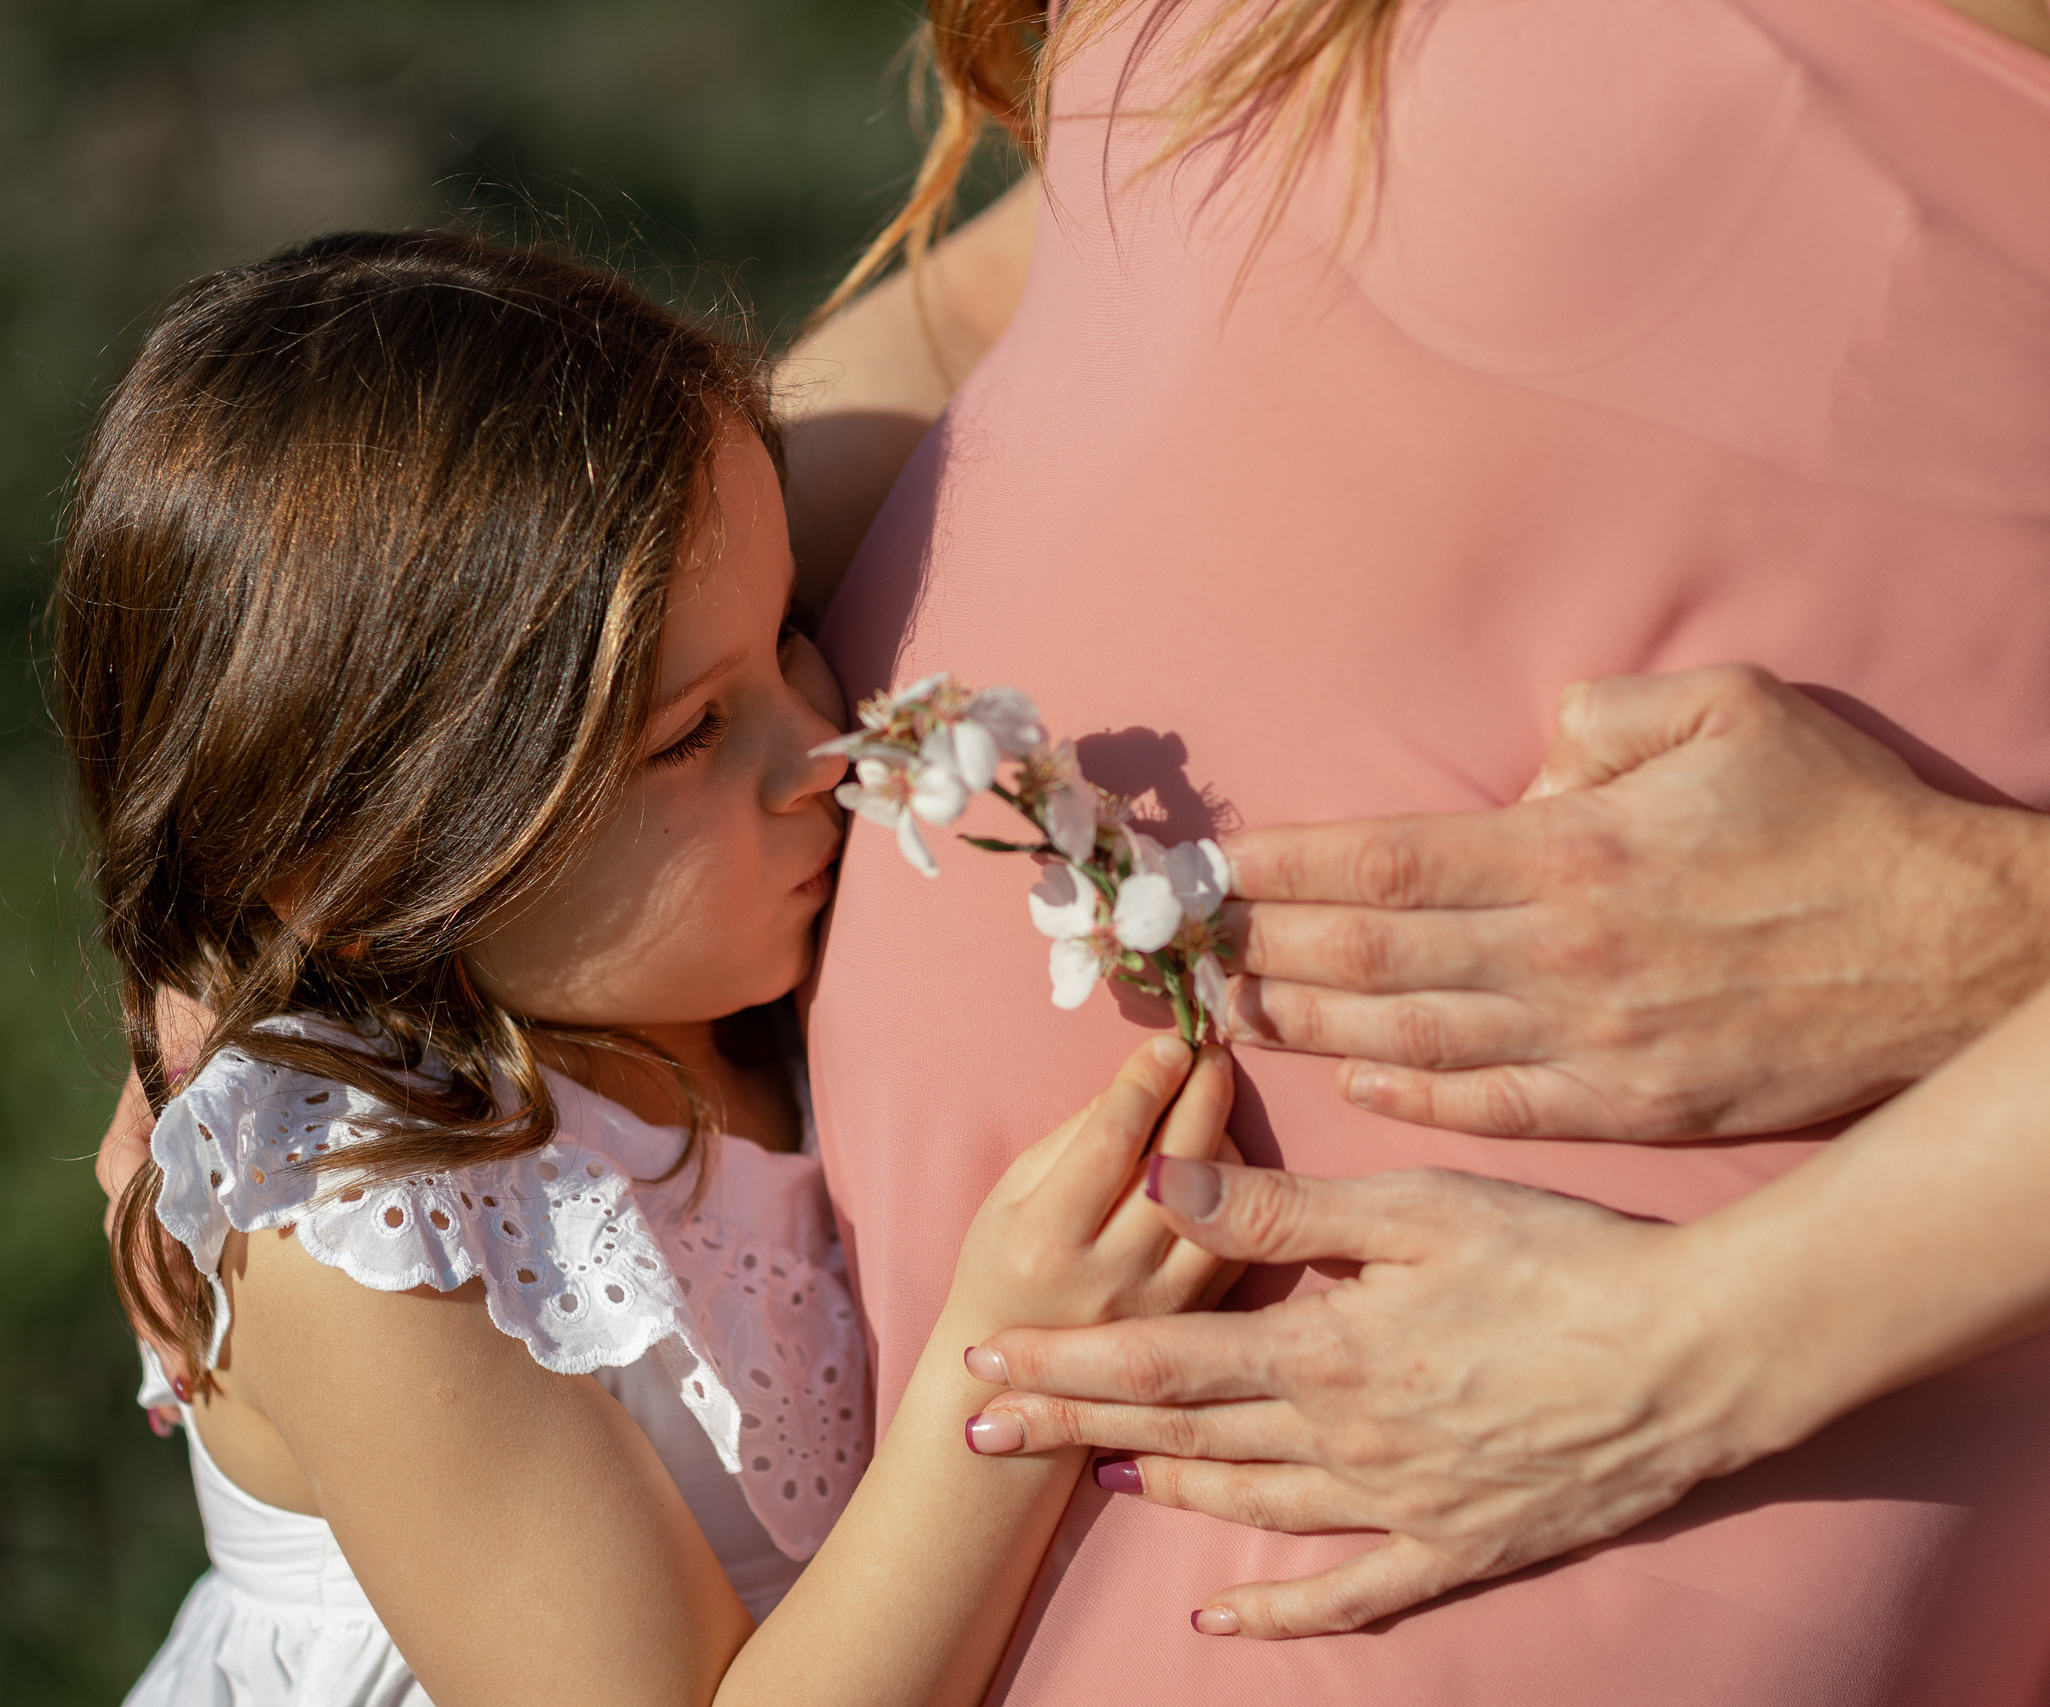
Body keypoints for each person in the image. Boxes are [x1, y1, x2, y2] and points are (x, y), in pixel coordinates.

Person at [777, 0, 2050, 1697]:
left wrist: (1675, 1357)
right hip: (969, 1419)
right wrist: (511, 658)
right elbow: (1036, 277)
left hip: (1572, 1434)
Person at [63, 229, 1239, 1707]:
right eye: (690, 733)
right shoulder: (363, 1229)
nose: (819, 750)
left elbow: (963, 314)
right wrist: (1012, 1369)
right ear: (361, 868)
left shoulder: (648, 953)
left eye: (793, 626)